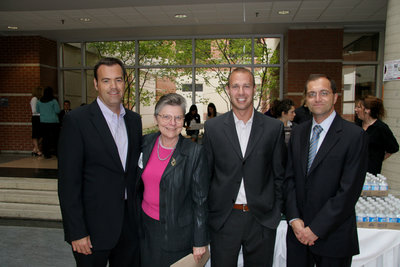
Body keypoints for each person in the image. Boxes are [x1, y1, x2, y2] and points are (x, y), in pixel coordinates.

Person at [58, 57, 142, 267]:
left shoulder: (134, 121)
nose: (113, 86)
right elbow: (69, 183)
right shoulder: (77, 121)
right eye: (106, 81)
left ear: (125, 83)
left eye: (118, 80)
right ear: (96, 84)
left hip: (128, 227)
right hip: (91, 230)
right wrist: (77, 232)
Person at [203, 67, 285, 267]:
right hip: (224, 219)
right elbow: (206, 176)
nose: (241, 92)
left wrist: (274, 215)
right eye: (236, 86)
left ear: (254, 89)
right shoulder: (213, 128)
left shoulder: (274, 128)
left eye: (246, 86)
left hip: (262, 220)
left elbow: (279, 176)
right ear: (228, 90)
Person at [284, 74, 368, 267]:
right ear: (306, 100)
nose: (317, 98)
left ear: (335, 97)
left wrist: (315, 229)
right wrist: (295, 220)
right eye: (312, 94)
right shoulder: (298, 132)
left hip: (334, 237)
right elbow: (289, 180)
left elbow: (348, 192)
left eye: (323, 93)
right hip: (298, 235)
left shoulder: (354, 136)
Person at [136, 93, 209, 267]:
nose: (172, 123)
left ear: (184, 121)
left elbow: (201, 200)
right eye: (166, 117)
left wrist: (200, 241)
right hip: (146, 228)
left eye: (178, 118)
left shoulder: (194, 153)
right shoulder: (145, 144)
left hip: (178, 233)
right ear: (156, 119)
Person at [355, 95, 399, 175]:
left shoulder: (381, 128)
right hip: (354, 169)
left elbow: (393, 148)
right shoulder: (357, 125)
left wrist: (377, 160)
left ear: (367, 110)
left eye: (359, 107)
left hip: (370, 173)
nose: (356, 110)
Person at [36, 86, 60, 158]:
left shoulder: (39, 101)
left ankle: (46, 153)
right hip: (53, 122)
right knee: (55, 138)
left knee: (45, 138)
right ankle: (56, 152)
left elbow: (37, 111)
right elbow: (57, 110)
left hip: (43, 122)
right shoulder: (53, 101)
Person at [30, 86, 43, 156]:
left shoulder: (39, 99)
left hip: (40, 117)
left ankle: (35, 149)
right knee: (35, 134)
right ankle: (37, 149)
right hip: (36, 117)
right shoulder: (34, 99)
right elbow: (34, 110)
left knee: (41, 134)